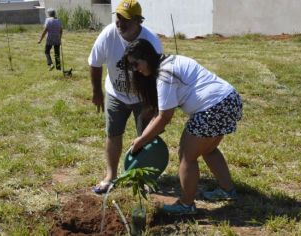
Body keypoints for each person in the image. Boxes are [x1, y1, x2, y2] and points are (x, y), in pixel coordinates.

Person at [121, 38, 243, 214]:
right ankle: (227, 190)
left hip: (213, 107)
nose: (135, 70)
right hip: (230, 100)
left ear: (146, 57)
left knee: (187, 155)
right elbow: (161, 112)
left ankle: (186, 205)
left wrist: (141, 141)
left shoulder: (165, 74)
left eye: (135, 64)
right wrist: (143, 137)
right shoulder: (171, 60)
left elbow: (164, 117)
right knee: (208, 149)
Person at [88, 0, 163, 194]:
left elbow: (157, 74)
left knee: (145, 136)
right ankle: (110, 176)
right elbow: (95, 63)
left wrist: (153, 103)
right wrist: (97, 92)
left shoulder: (151, 41)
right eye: (118, 17)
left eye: (126, 19)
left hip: (142, 96)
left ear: (138, 21)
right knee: (113, 134)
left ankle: (144, 177)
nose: (120, 22)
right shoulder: (108, 34)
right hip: (116, 93)